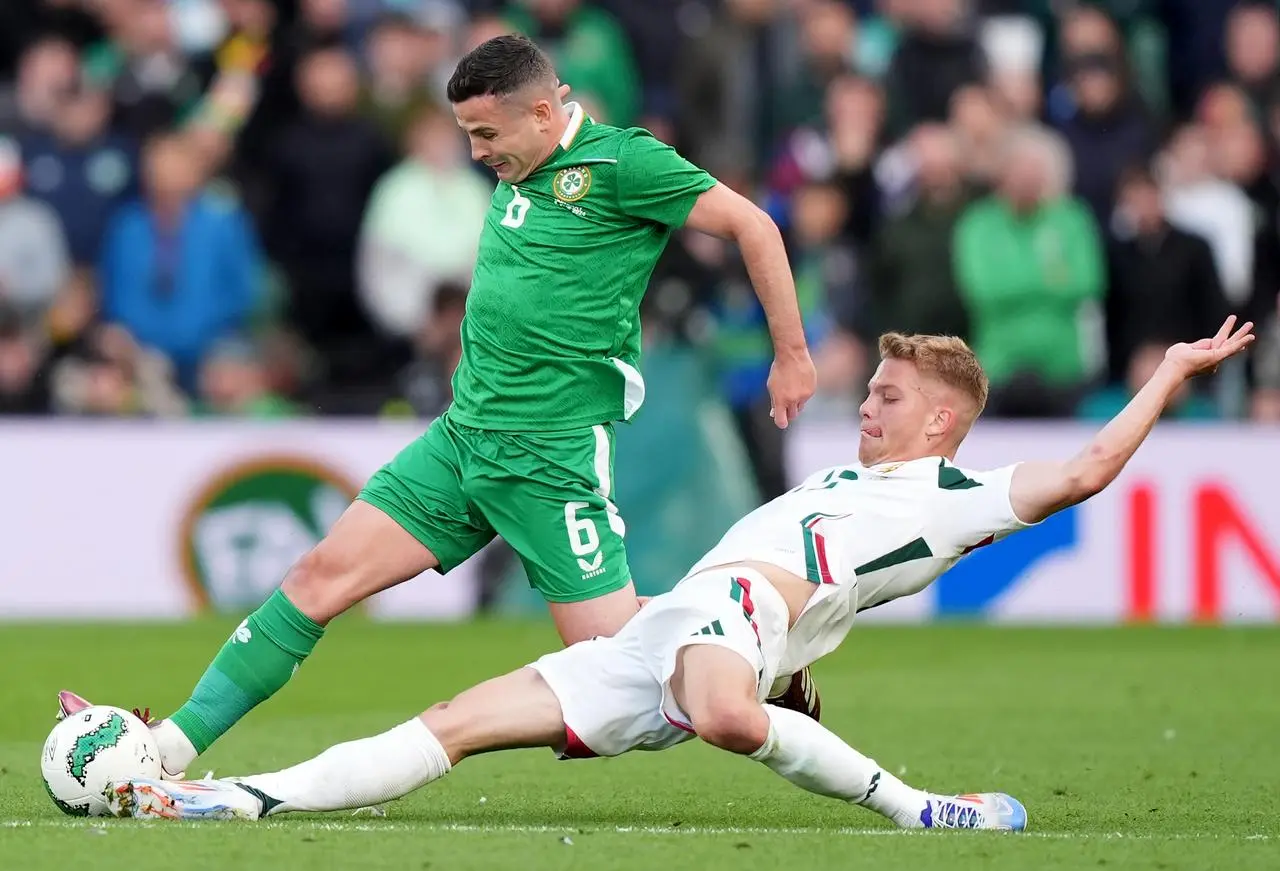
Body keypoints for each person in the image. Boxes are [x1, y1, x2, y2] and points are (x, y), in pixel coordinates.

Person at [101, 319, 1254, 830]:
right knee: (446, 722)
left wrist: (1162, 374)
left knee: (720, 709)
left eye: (889, 394)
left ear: (943, 419)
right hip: (669, 628)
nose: (866, 402)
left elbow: (1091, 465)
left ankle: (919, 809)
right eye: (869, 387)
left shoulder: (960, 497)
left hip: (735, 619)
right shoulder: (843, 483)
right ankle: (208, 798)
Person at [58, 34, 817, 779]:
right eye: (468, 135)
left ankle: (755, 650)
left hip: (550, 457)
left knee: (623, 665)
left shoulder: (626, 163)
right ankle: (168, 750)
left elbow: (753, 224)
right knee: (319, 576)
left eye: (488, 134)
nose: (478, 152)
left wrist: (791, 354)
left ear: (548, 113)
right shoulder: (524, 162)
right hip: (460, 442)